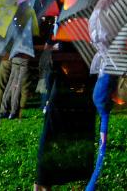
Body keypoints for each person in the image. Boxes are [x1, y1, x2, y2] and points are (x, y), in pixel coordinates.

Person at [32, 40, 96, 191]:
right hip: (77, 84)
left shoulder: (67, 27)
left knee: (57, 135)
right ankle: (44, 181)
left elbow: (50, 52)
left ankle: (44, 182)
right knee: (63, 135)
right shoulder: (85, 27)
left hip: (70, 84)